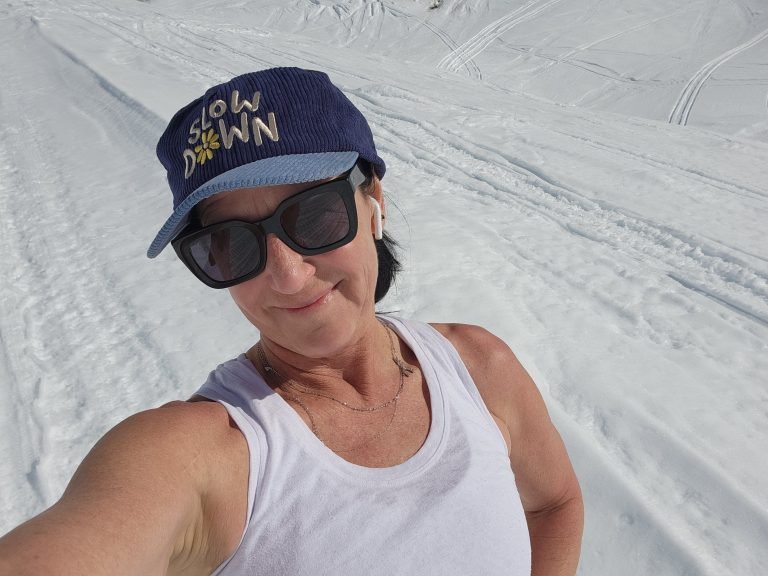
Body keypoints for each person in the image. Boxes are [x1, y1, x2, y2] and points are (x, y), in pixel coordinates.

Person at [0, 67, 583, 575]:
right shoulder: (208, 453)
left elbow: (555, 504)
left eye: (315, 214)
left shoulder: (478, 369)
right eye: (230, 243)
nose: (286, 275)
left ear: (373, 201)